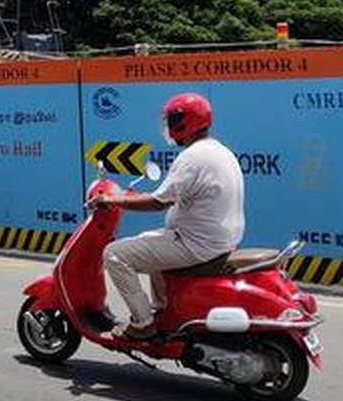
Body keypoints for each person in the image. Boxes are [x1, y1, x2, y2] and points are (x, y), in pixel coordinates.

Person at [88, 93, 244, 340]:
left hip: (195, 244)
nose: (168, 128)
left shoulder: (193, 157)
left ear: (184, 122)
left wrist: (110, 200)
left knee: (115, 254)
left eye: (171, 121)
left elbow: (158, 202)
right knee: (148, 240)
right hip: (214, 241)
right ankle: (163, 312)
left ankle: (142, 324)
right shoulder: (219, 151)